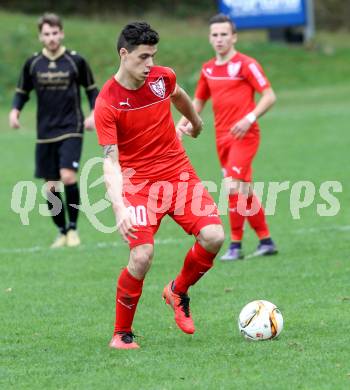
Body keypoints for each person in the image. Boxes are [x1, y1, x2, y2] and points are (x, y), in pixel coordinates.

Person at [94, 22, 224, 349]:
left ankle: (177, 291)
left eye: (153, 55)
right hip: (137, 185)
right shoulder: (107, 102)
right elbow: (110, 161)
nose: (149, 63)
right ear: (124, 54)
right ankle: (121, 335)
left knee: (214, 236)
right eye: (142, 57)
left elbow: (178, 95)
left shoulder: (160, 78)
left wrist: (195, 122)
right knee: (141, 256)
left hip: (177, 173)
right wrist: (119, 207)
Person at [177, 14, 277, 261]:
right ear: (210, 38)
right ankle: (266, 240)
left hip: (245, 134)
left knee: (232, 187)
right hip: (221, 138)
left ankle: (235, 245)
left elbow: (269, 96)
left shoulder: (246, 64)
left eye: (224, 34)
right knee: (244, 189)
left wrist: (249, 118)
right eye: (215, 35)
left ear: (234, 37)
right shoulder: (208, 69)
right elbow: (198, 101)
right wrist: (181, 125)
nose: (219, 39)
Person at [9, 13, 99, 248]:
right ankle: (60, 231)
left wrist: (93, 114)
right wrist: (14, 111)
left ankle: (73, 229)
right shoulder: (33, 63)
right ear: (40, 36)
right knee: (50, 188)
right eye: (46, 34)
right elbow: (22, 91)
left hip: (72, 127)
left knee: (68, 176)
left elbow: (91, 90)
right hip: (45, 132)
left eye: (55, 33)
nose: (51, 38)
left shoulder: (75, 61)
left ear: (62, 33)